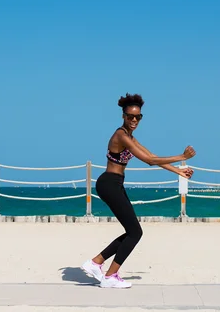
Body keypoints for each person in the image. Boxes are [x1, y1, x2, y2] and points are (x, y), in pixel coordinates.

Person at [81, 93, 196, 289]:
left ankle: (96, 263)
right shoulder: (120, 135)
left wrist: (179, 171)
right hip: (109, 184)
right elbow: (150, 161)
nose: (134, 120)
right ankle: (109, 276)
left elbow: (152, 156)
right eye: (130, 116)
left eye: (138, 117)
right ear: (123, 116)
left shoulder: (129, 137)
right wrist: (181, 156)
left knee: (132, 231)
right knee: (135, 232)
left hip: (115, 184)